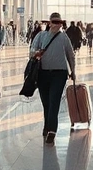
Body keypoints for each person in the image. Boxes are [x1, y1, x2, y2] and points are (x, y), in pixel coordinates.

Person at [29, 12, 76, 145]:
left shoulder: (64, 37)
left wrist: (73, 71)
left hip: (60, 74)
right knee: (46, 102)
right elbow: (31, 50)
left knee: (54, 101)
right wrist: (36, 53)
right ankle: (47, 125)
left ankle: (52, 130)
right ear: (49, 23)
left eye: (59, 22)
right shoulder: (41, 36)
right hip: (43, 73)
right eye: (54, 22)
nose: (56, 25)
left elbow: (70, 55)